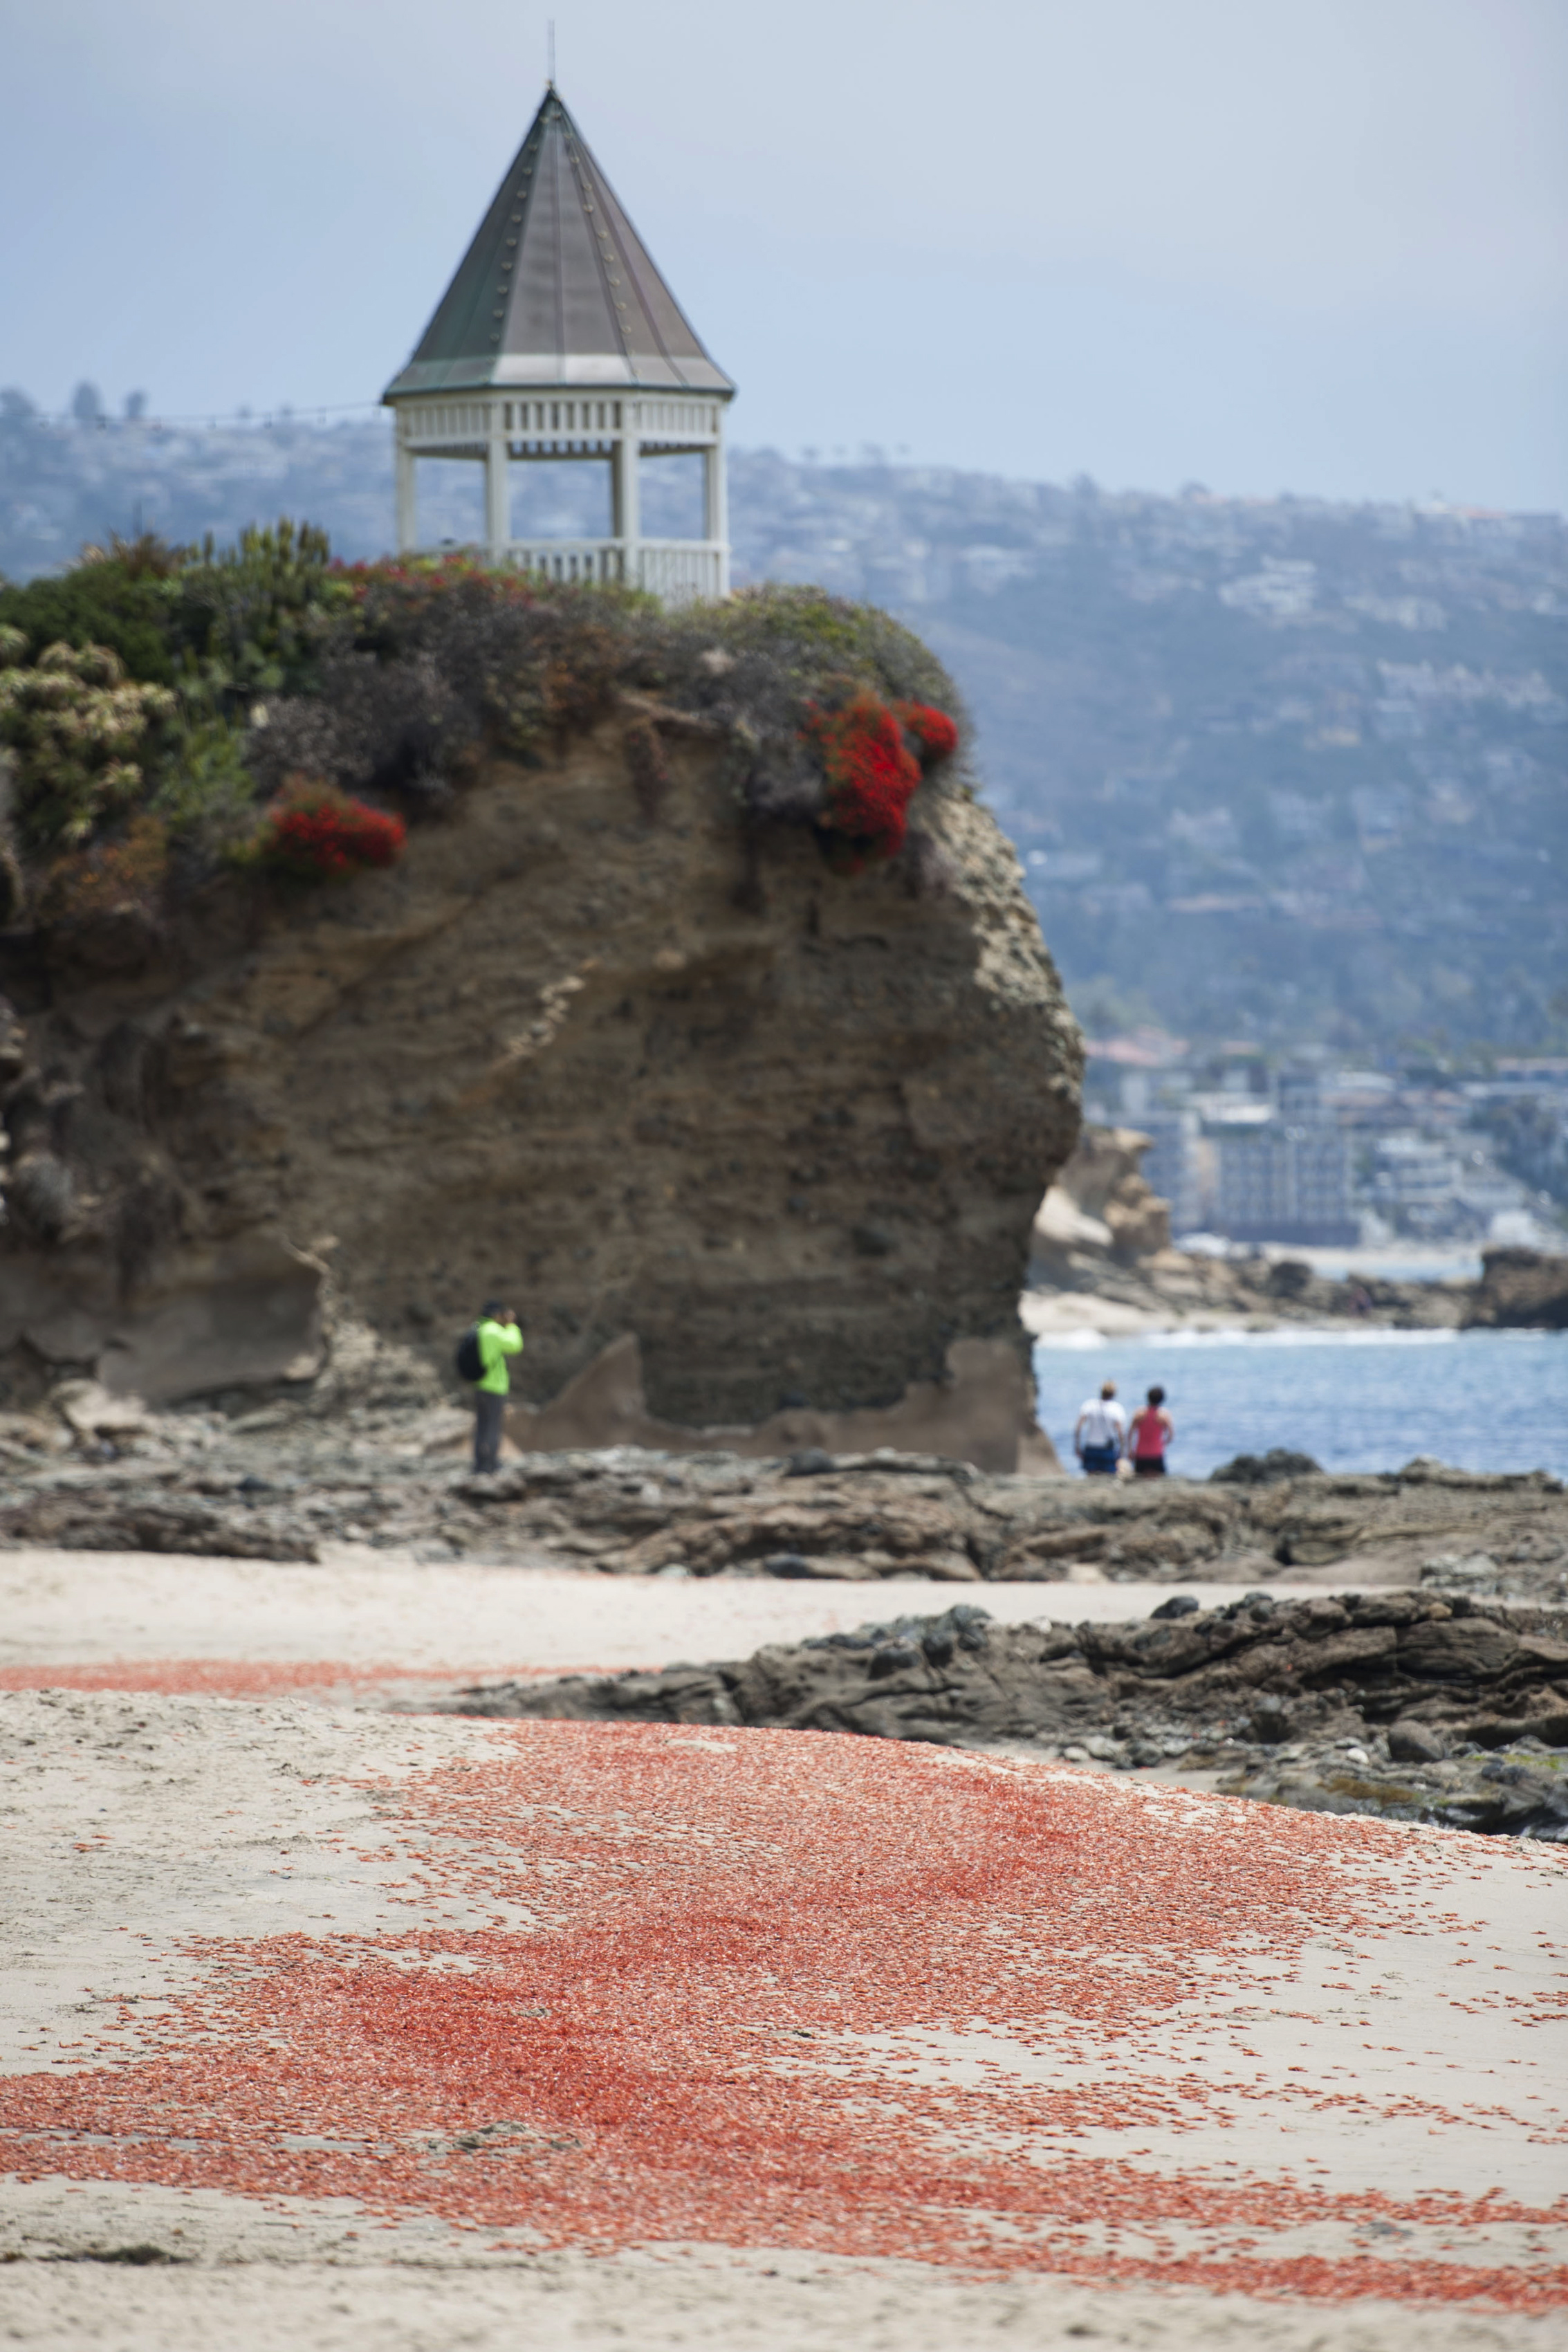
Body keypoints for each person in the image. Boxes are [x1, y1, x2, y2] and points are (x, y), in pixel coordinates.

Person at [471, 1300, 523, 1475]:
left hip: (480, 1385)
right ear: (495, 1314)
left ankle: (479, 1464)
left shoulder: (478, 1328)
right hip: (494, 1387)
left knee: (481, 1426)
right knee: (493, 1426)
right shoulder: (493, 1331)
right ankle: (491, 1464)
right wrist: (512, 1326)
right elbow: (515, 1346)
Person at [1073, 1379, 1125, 1476]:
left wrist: (1077, 1445)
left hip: (1091, 1446)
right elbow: (1120, 1433)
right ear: (1114, 1393)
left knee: (1091, 1477)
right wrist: (1122, 1451)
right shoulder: (1116, 1408)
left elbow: (1078, 1427)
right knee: (1109, 1476)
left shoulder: (1089, 1405)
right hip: (1107, 1448)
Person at [1128, 1384, 1174, 1477]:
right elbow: (1171, 1435)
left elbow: (1130, 1433)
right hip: (1156, 1453)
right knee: (1160, 1480)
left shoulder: (1139, 1414)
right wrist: (1163, 1444)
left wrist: (1130, 1450)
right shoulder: (1163, 1415)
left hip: (1140, 1453)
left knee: (1139, 1480)